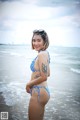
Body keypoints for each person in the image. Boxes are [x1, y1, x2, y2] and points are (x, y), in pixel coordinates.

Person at [26, 29, 50, 120]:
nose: (35, 43)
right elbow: (48, 73)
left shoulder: (41, 55)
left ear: (44, 41)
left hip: (38, 91)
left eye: (39, 40)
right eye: (33, 40)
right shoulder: (45, 53)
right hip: (42, 91)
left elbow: (44, 77)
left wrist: (29, 84)